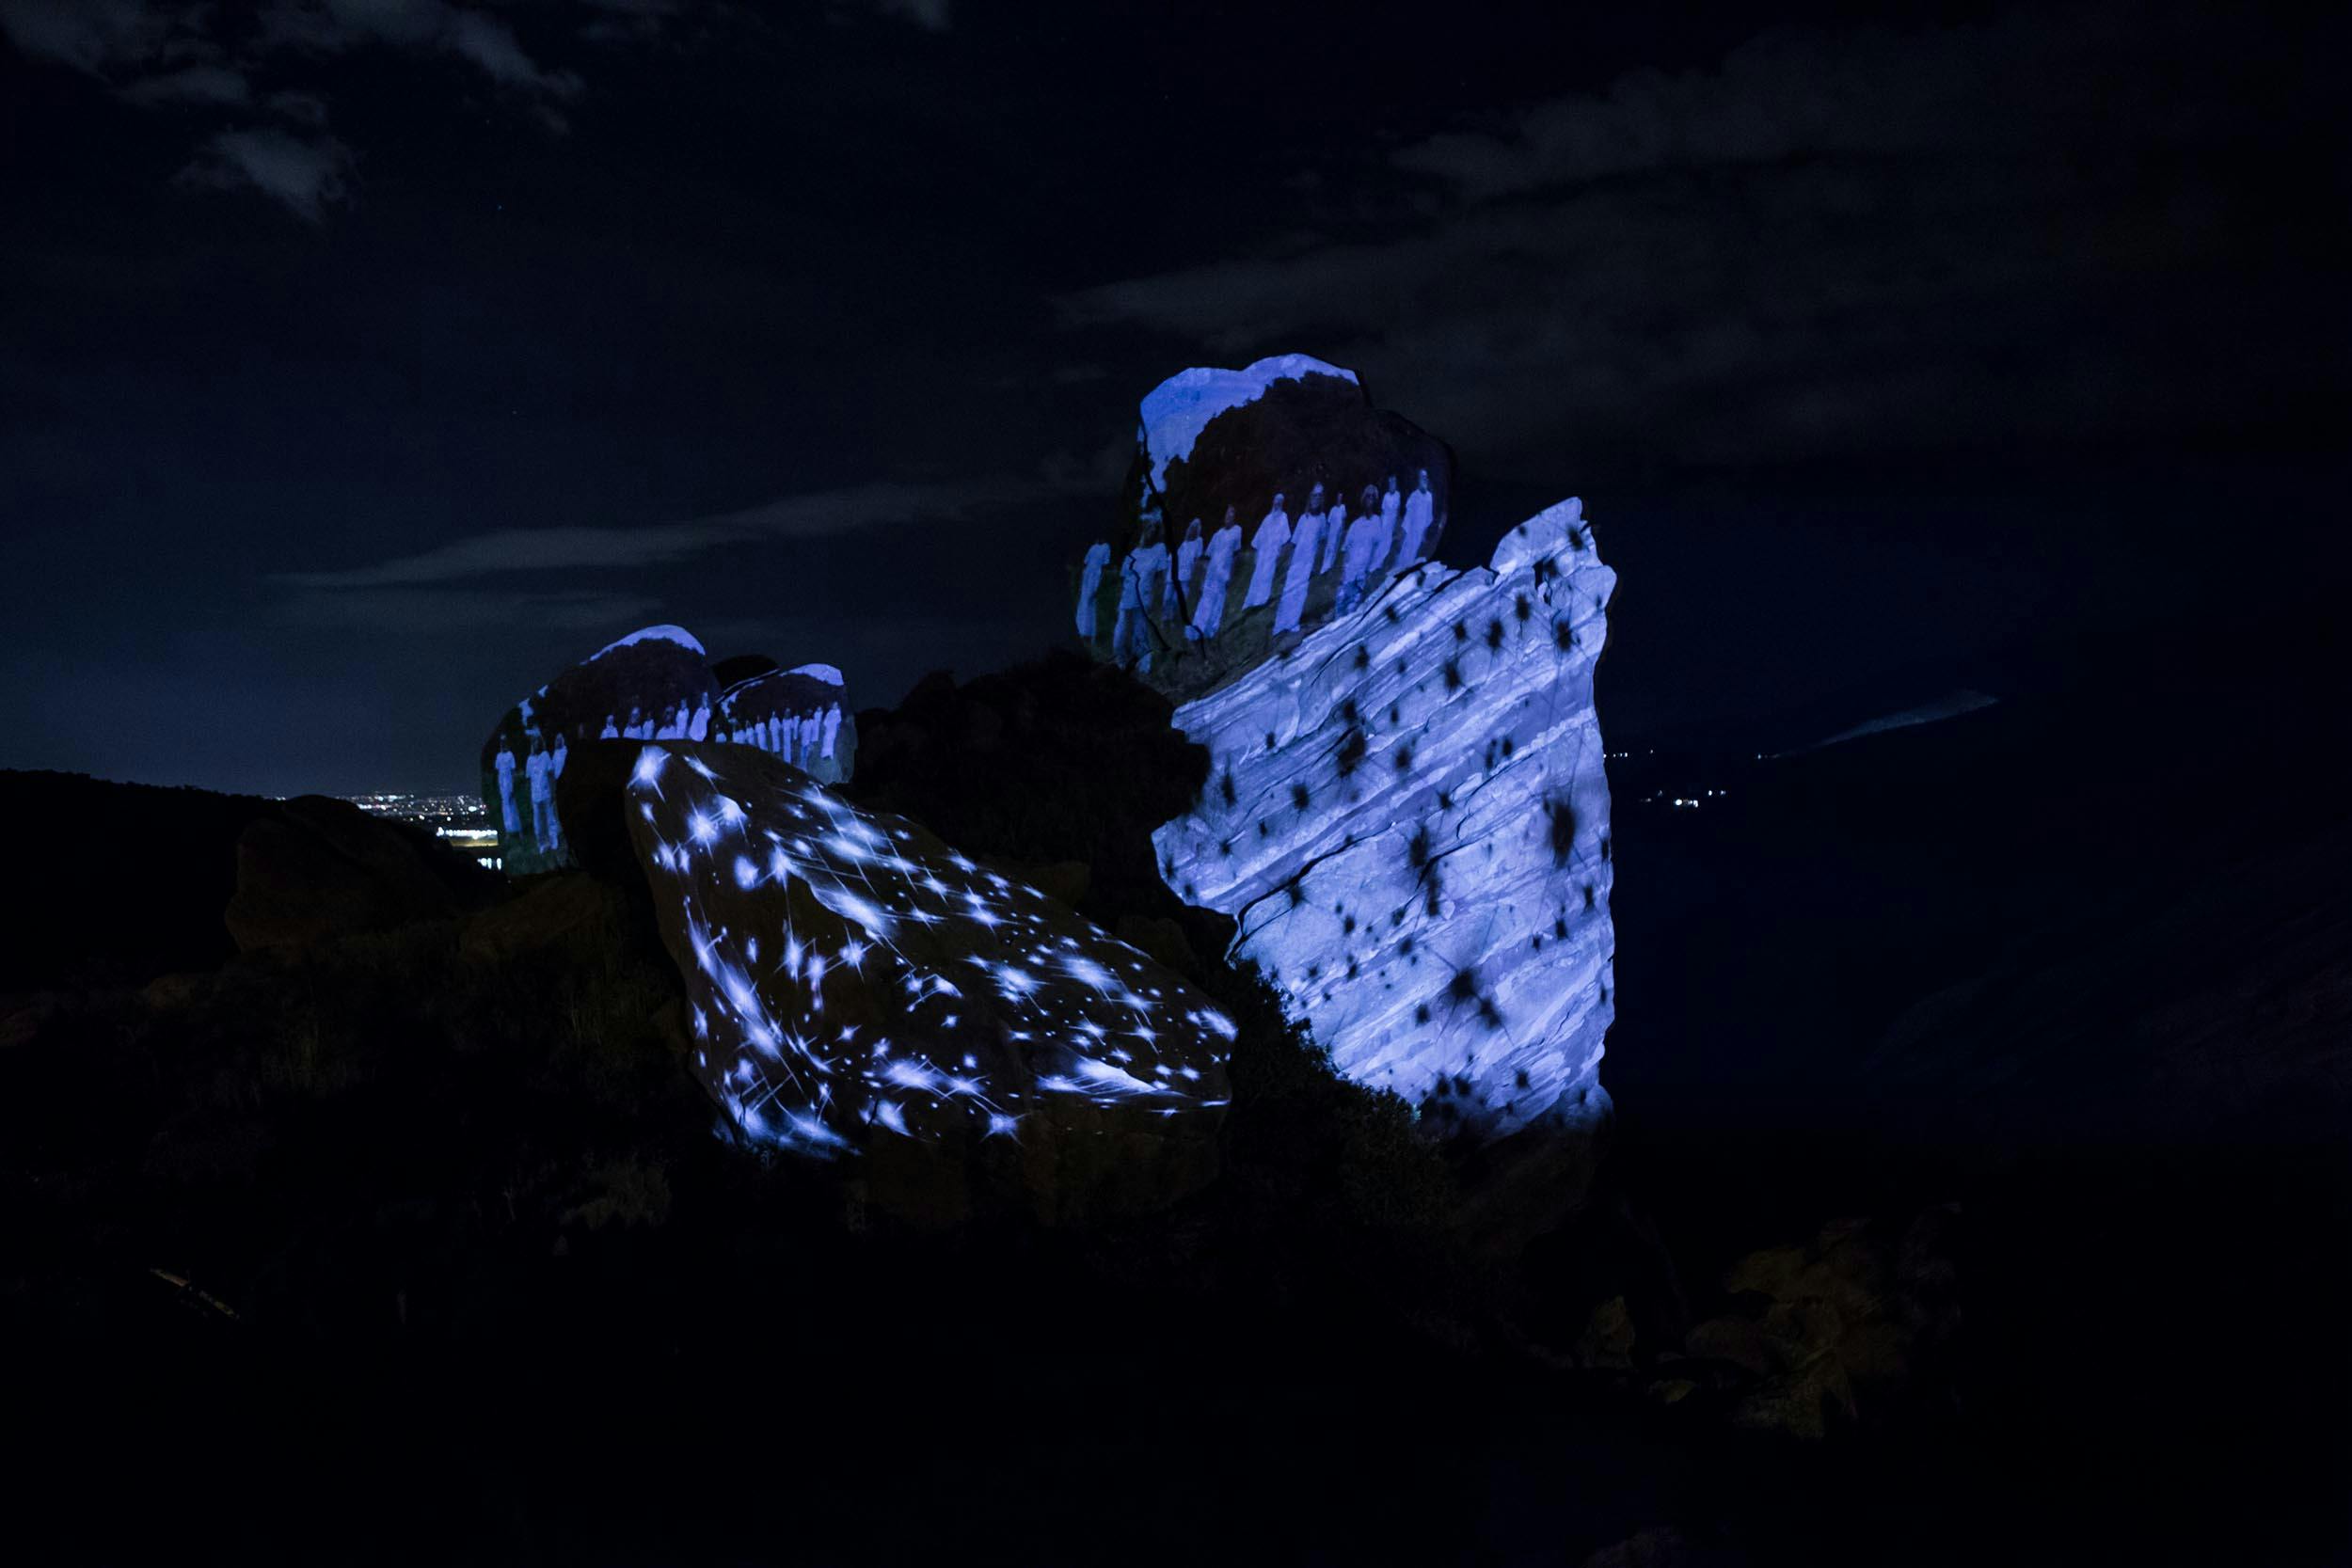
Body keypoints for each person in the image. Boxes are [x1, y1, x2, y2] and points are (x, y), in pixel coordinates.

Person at [1113, 520, 1169, 670]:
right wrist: (1119, 599)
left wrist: (1157, 598)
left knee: (1140, 630)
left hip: (1144, 597)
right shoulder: (1134, 553)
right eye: (1148, 528)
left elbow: (1161, 576)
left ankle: (1143, 664)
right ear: (1143, 531)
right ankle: (1121, 661)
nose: (1151, 531)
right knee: (1121, 630)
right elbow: (1123, 578)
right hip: (1127, 597)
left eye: (1154, 529)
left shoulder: (1160, 549)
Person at [1189, 505, 1244, 641]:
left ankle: (1210, 632)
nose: (1228, 516)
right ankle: (1197, 631)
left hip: (1223, 573)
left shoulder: (1237, 531)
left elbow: (1236, 554)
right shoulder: (1217, 534)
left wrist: (1231, 573)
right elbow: (1208, 557)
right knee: (1205, 600)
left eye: (1231, 514)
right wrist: (1203, 576)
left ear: (1235, 517)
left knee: (1218, 602)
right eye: (1226, 514)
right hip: (1212, 573)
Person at [1275, 494, 1324, 635]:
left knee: (1300, 592)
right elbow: (1295, 541)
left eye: (1317, 500)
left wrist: (1316, 564)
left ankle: (1292, 623)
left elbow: (1321, 542)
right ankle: (1279, 625)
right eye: (1313, 499)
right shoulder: (1303, 518)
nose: (1315, 502)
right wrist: (1288, 559)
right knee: (1288, 590)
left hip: (1308, 562)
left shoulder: (1321, 521)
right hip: (1297, 560)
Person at [1242, 494, 1290, 609]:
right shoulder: (1267, 519)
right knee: (1257, 575)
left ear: (1282, 503)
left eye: (1279, 501)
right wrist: (1257, 553)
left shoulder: (1284, 517)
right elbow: (1259, 536)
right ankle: (1250, 601)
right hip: (1263, 552)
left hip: (1272, 553)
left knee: (1267, 575)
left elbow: (1285, 536)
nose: (1277, 503)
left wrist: (1280, 550)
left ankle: (1261, 601)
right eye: (1276, 500)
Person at [1166, 518, 1204, 619]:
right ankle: (1166, 619)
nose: (1192, 530)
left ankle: (1174, 617)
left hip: (1185, 576)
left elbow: (1197, 558)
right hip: (1172, 575)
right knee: (1166, 598)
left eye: (1195, 528)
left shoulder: (1198, 541)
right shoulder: (1181, 542)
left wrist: (1194, 574)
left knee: (1176, 600)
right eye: (1192, 527)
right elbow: (1170, 559)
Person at [1074, 540, 1111, 640]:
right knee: (1083, 602)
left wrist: (1099, 583)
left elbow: (1105, 565)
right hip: (1087, 575)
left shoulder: (1106, 547)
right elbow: (1086, 562)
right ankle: (1081, 629)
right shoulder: (1093, 547)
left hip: (1095, 576)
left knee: (1091, 602)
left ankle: (1090, 632)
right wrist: (1082, 581)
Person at [1400, 467, 1437, 564]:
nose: (1424, 479)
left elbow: (1429, 516)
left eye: (1426, 477)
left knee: (1415, 552)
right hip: (1411, 530)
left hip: (1421, 530)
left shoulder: (1429, 496)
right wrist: (1405, 531)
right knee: (1406, 550)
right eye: (1422, 477)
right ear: (1418, 479)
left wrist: (1425, 530)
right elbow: (1408, 515)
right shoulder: (1414, 496)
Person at [494, 746, 520, 836]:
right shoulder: (499, 756)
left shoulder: (510, 755)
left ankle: (517, 830)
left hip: (509, 786)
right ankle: (508, 831)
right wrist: (499, 786)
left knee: (513, 807)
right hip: (502, 786)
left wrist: (513, 786)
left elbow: (513, 771)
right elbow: (498, 772)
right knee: (505, 809)